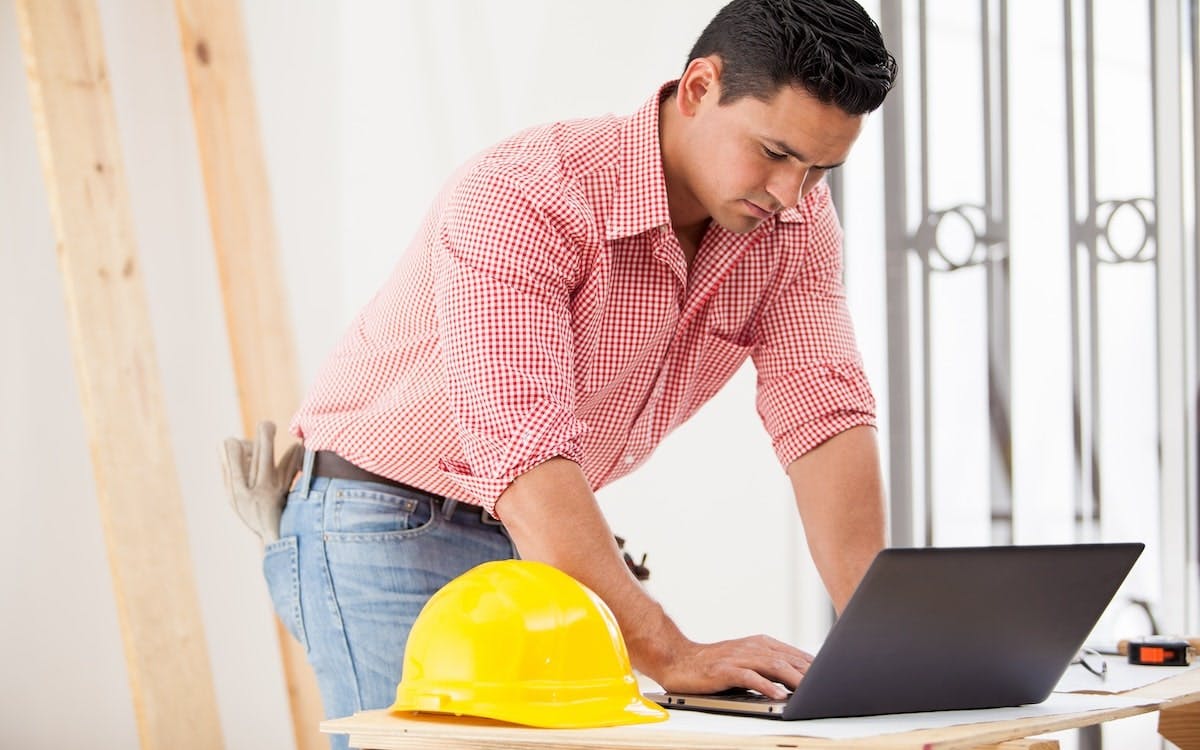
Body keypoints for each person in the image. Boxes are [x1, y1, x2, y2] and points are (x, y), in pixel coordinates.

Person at [259, 0, 896, 739]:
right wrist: (668, 649)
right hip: (387, 517)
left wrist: (885, 641)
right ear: (698, 87)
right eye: (776, 153)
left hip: (533, 526)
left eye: (821, 169)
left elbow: (825, 413)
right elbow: (523, 450)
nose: (791, 194)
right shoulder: (526, 193)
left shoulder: (791, 226)